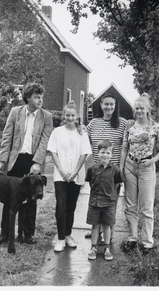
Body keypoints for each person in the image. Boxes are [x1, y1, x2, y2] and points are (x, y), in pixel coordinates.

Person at [0, 82, 53, 245]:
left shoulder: (46, 117)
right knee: (9, 198)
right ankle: (6, 233)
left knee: (31, 199)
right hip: (15, 160)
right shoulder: (15, 112)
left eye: (41, 97)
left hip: (32, 162)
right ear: (28, 98)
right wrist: (1, 160)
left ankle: (28, 234)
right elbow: (7, 137)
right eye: (36, 97)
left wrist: (37, 163)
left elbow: (45, 141)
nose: (40, 100)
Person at [119, 93, 159, 254]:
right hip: (130, 166)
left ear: (147, 110)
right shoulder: (130, 127)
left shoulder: (155, 127)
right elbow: (124, 148)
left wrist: (152, 161)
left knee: (147, 207)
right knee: (130, 206)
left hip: (147, 168)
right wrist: (121, 168)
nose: (139, 111)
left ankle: (147, 243)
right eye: (137, 108)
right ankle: (132, 238)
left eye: (142, 108)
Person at [48, 100, 91, 252]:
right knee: (61, 206)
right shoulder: (57, 132)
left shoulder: (82, 133)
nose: (70, 118)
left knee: (71, 207)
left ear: (76, 116)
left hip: (76, 175)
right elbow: (53, 151)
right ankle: (60, 239)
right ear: (64, 116)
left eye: (73, 115)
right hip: (61, 176)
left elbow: (84, 154)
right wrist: (61, 170)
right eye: (67, 115)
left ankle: (67, 235)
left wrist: (74, 172)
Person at [85, 92, 127, 243]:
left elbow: (126, 146)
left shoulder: (122, 123)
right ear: (101, 105)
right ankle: (97, 229)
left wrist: (121, 169)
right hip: (97, 171)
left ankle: (109, 233)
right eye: (106, 104)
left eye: (112, 104)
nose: (109, 107)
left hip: (113, 171)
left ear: (115, 106)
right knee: (97, 201)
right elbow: (83, 137)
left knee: (110, 203)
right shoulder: (93, 123)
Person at [85, 140, 124, 261]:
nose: (105, 155)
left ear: (111, 154)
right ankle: (93, 247)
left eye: (108, 153)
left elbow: (117, 183)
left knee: (107, 226)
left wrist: (110, 192)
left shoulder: (116, 170)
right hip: (95, 202)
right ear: (98, 153)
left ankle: (107, 248)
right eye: (103, 152)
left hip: (109, 203)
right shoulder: (92, 169)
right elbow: (91, 183)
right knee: (95, 225)